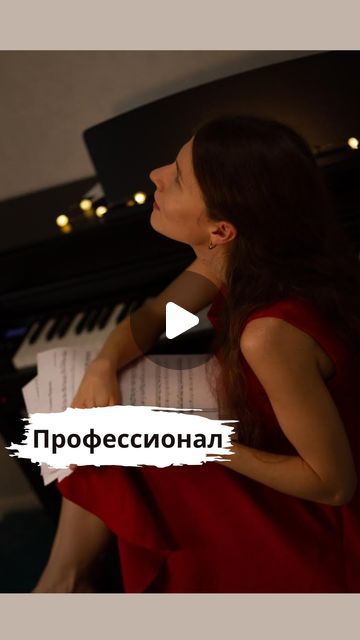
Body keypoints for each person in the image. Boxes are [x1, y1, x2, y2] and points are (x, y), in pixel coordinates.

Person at [33, 114, 360, 593]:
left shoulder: (268, 334)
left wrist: (194, 438)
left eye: (178, 178)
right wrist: (103, 366)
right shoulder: (244, 256)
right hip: (266, 444)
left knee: (98, 442)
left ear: (221, 228)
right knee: (92, 422)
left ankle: (63, 584)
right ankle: (65, 581)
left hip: (314, 515)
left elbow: (333, 485)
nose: (156, 176)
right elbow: (155, 320)